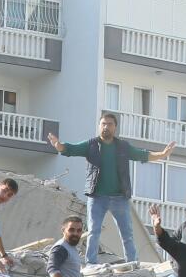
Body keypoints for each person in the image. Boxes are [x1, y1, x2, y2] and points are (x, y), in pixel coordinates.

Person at [48, 113, 175, 264]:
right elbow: (71, 149)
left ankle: (132, 263)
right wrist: (59, 146)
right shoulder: (91, 145)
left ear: (115, 127)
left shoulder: (123, 147)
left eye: (109, 124)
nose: (106, 126)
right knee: (93, 231)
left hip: (119, 197)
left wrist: (162, 154)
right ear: (99, 126)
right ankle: (91, 263)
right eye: (103, 124)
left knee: (127, 233)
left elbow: (143, 155)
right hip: (97, 197)